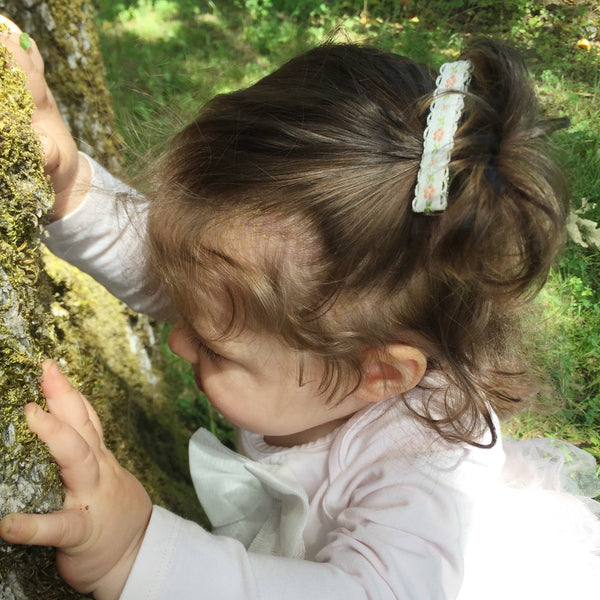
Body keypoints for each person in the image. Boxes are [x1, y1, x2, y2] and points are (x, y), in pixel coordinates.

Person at [1, 16, 599, 600]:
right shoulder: (328, 344)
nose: (178, 341)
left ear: (378, 374)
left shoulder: (424, 468)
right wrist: (71, 186)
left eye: (213, 347)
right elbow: (198, 290)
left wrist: (136, 554)